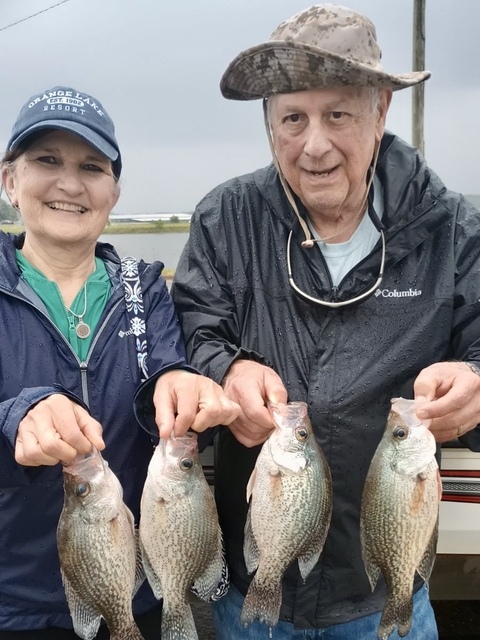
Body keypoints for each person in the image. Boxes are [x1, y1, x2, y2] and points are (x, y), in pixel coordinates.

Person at [171, 5, 480, 639]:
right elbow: (191, 335)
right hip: (252, 594)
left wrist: (477, 381)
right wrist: (225, 369)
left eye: (338, 113)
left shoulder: (455, 231)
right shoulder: (224, 220)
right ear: (268, 124)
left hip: (387, 598)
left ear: (381, 111)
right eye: (293, 118)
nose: (314, 144)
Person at [0, 85, 239, 639]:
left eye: (92, 166)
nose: (69, 182)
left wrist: (184, 386)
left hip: (138, 588)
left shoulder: (146, 291)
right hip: (15, 604)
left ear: (114, 191)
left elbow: (167, 375)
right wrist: (16, 418)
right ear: (10, 180)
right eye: (47, 160)